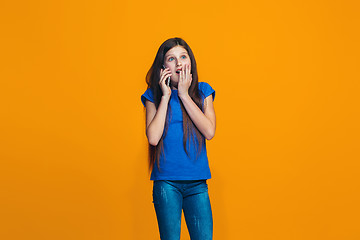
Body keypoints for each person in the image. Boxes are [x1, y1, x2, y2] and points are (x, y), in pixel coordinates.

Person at [141, 37, 216, 240]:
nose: (179, 63)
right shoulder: (153, 96)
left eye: (183, 56)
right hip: (167, 184)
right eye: (171, 59)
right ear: (163, 66)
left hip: (197, 183)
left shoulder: (203, 91)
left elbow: (209, 131)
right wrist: (165, 96)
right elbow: (153, 138)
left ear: (190, 62)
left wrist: (184, 95)